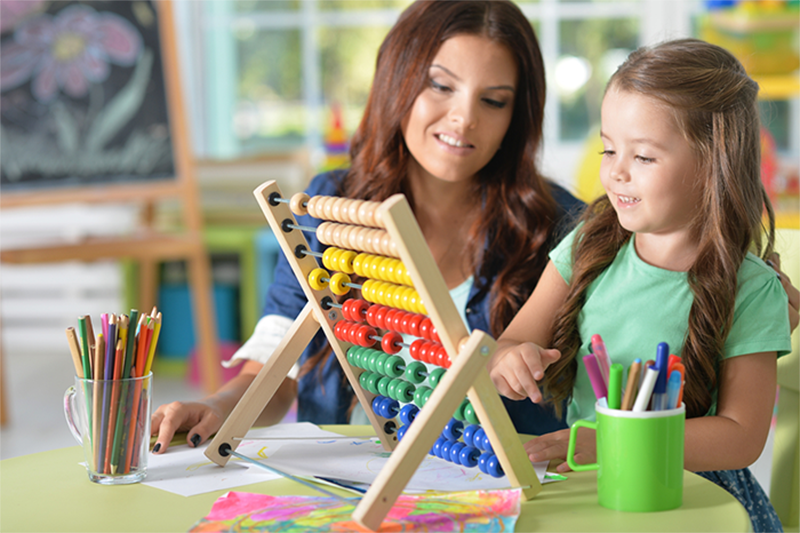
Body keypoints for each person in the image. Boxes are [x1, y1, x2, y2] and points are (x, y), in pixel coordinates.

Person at [151, 0, 585, 454]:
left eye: (493, 100)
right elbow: (275, 364)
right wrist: (220, 405)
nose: (464, 118)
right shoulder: (330, 205)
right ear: (398, 81)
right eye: (440, 85)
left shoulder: (559, 226)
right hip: (350, 477)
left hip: (497, 484)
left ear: (516, 116)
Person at [489, 38, 791, 533]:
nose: (616, 171)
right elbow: (513, 342)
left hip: (693, 499)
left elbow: (741, 436)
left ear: (712, 164)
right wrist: (511, 360)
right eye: (609, 148)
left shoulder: (751, 288)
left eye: (644, 158)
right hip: (593, 484)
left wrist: (611, 442)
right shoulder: (589, 243)